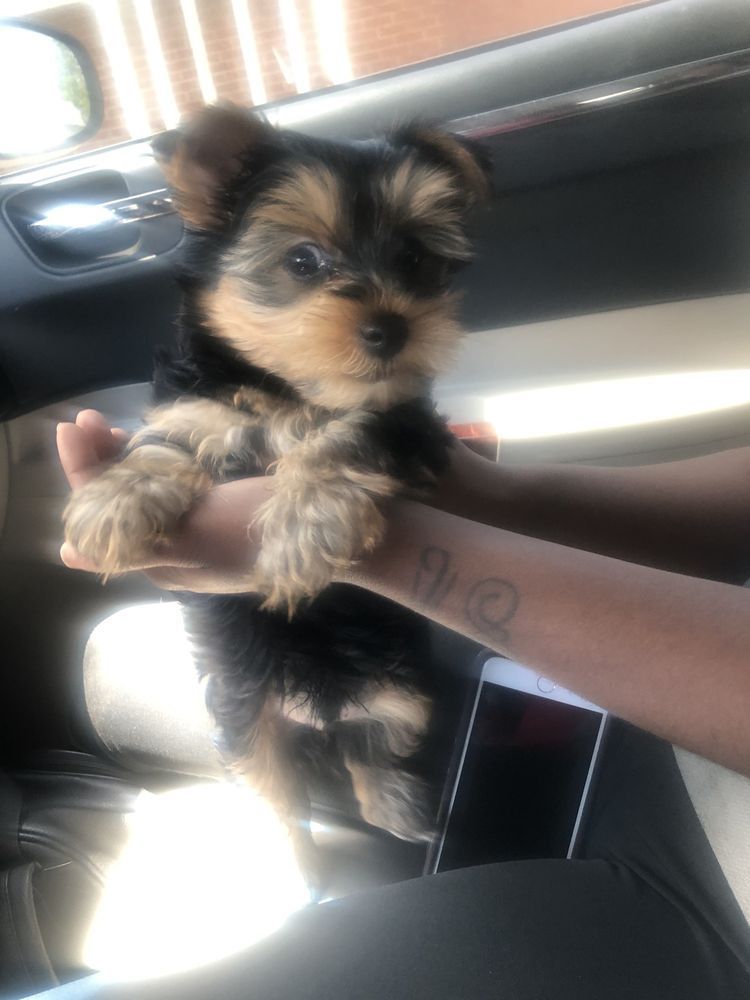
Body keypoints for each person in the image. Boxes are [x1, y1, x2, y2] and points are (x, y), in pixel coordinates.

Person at [54, 409, 750, 1000]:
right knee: (119, 664)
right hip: (671, 658)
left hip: (719, 892)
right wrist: (488, 499)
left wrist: (356, 539)